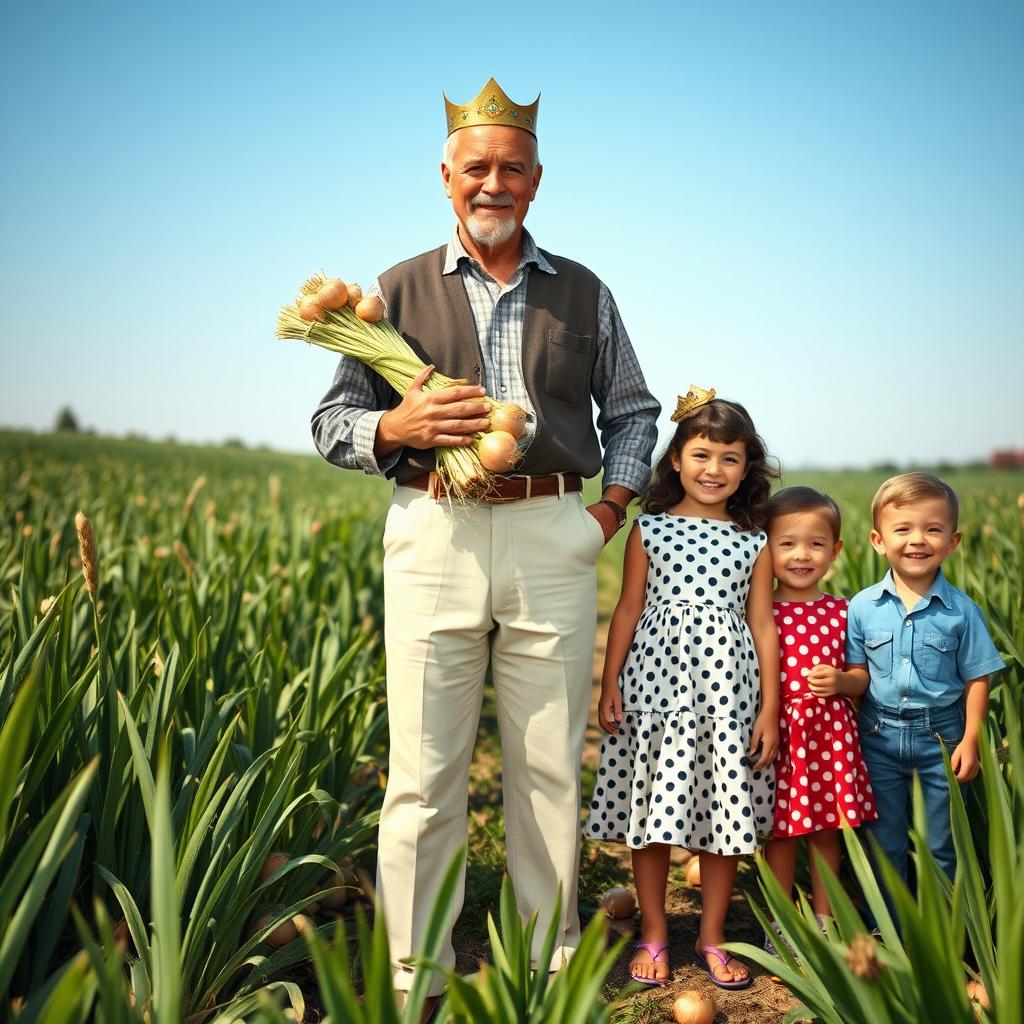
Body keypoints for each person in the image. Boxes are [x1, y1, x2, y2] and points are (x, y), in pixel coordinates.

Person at [310, 77, 660, 1007]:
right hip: (435, 532)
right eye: (476, 168)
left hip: (554, 528)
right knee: (424, 770)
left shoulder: (585, 291)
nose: (492, 184)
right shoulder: (390, 293)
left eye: (511, 168)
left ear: (536, 181)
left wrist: (606, 512)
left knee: (548, 764)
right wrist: (399, 430)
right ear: (446, 176)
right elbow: (332, 421)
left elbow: (632, 411)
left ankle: (545, 958)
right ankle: (415, 966)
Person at [586, 387, 779, 990]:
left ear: (747, 469)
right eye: (702, 454)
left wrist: (769, 708)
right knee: (653, 813)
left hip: (728, 693)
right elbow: (626, 610)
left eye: (730, 458)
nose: (713, 469)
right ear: (675, 458)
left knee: (726, 812)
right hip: (656, 689)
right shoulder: (649, 531)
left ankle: (713, 935)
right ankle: (653, 931)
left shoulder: (754, 541)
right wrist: (609, 680)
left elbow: (763, 626)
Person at [846, 473, 1004, 891]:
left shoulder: (962, 612)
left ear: (952, 542)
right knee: (885, 840)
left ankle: (950, 936)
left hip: (943, 738)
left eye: (933, 529)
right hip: (878, 735)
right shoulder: (862, 607)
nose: (918, 539)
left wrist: (971, 738)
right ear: (879, 540)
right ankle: (890, 930)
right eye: (904, 529)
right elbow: (859, 676)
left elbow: (978, 678)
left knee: (944, 843)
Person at [761, 486, 876, 954]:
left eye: (815, 544)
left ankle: (826, 918)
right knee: (782, 832)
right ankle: (783, 919)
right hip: (781, 734)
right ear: (765, 547)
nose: (801, 555)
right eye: (786, 543)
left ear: (836, 550)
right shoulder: (759, 610)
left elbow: (861, 676)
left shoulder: (844, 612)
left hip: (828, 737)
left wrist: (842, 683)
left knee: (827, 831)